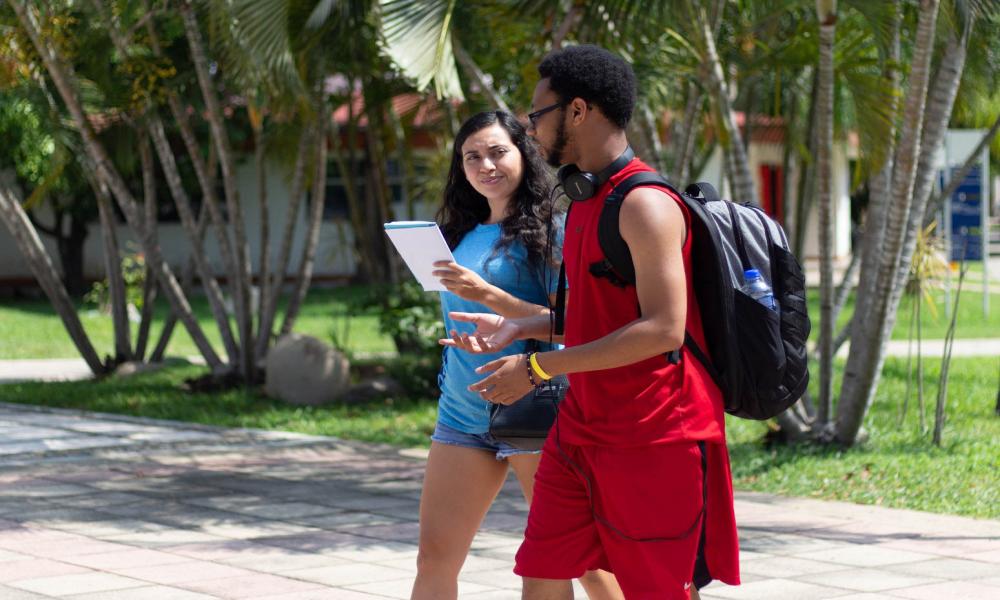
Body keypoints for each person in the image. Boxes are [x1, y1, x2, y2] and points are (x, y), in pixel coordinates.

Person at [441, 46, 741, 599]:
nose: (531, 130)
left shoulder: (645, 204)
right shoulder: (584, 200)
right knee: (544, 565)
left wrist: (535, 367)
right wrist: (525, 324)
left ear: (577, 111)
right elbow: (599, 317)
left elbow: (662, 329)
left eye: (537, 115)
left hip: (654, 431)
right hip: (581, 426)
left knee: (654, 588)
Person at [411, 110, 623, 600]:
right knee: (434, 557)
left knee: (582, 564)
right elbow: (467, 318)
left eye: (497, 151)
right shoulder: (457, 235)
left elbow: (575, 325)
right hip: (462, 415)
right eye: (472, 157)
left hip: (538, 409)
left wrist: (488, 296)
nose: (485, 164)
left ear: (523, 155)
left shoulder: (557, 230)